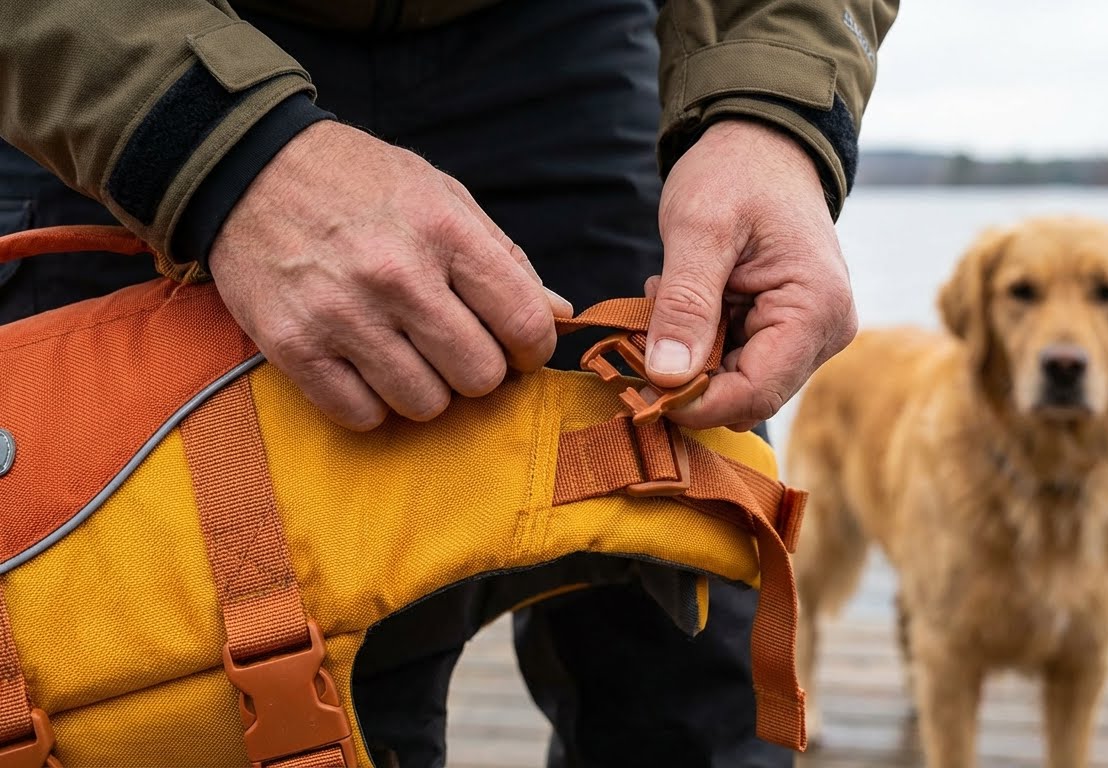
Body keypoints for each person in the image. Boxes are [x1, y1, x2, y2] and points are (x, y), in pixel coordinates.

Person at [0, 1, 897, 765]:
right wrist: (212, 145)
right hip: (118, 52)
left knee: (691, 679)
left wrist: (773, 114)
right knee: (173, 684)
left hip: (571, 50)